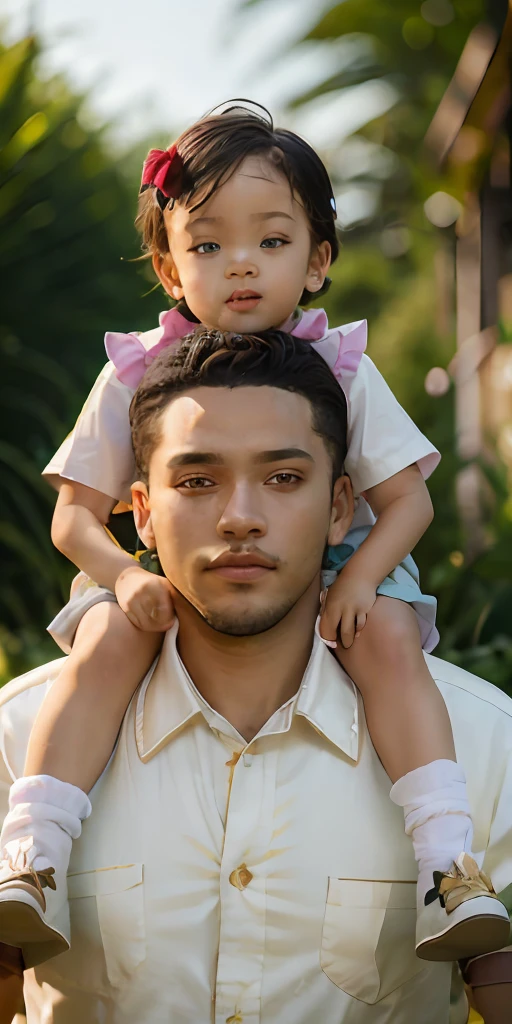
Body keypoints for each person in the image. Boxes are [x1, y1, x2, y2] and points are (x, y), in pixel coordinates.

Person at [0, 104, 508, 967]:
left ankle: (447, 864)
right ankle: (33, 859)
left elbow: (408, 503)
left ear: (317, 261)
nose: (240, 265)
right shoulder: (135, 374)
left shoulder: (342, 368)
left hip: (343, 559)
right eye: (206, 246)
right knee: (106, 644)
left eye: (271, 243)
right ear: (168, 265)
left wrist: (358, 582)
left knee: (388, 636)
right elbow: (75, 515)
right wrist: (124, 579)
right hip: (161, 566)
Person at [0, 329, 510, 1024]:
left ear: (339, 509)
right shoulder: (17, 740)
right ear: (142, 514)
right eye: (198, 481)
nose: (240, 518)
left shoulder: (486, 747)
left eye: (283, 478)